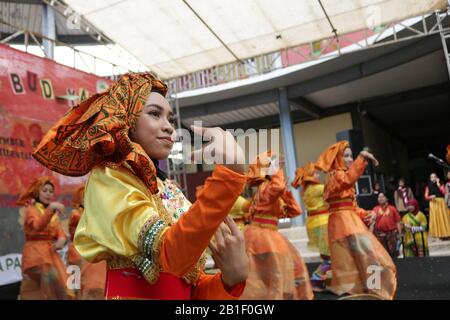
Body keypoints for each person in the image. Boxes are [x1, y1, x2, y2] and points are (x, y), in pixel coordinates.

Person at [32, 73, 249, 300]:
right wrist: (229, 177)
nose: (169, 128)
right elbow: (170, 254)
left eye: (170, 119)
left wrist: (231, 280)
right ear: (128, 120)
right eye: (155, 114)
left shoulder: (168, 188)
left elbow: (188, 287)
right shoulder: (110, 177)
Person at [315, 141, 396, 299]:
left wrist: (366, 214)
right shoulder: (335, 176)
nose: (350, 159)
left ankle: (372, 289)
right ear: (337, 159)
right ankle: (371, 290)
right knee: (364, 257)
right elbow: (347, 180)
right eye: (346, 156)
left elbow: (351, 206)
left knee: (366, 257)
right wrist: (361, 157)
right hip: (342, 224)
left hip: (348, 221)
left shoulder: (343, 178)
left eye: (351, 156)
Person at [241, 151, 313, 300]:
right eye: (275, 164)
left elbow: (295, 211)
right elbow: (279, 187)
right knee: (274, 274)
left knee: (267, 275)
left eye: (279, 164)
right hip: (263, 236)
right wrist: (277, 173)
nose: (280, 167)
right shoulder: (268, 187)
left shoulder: (270, 189)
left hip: (266, 234)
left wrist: (285, 194)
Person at [16, 177, 74, 300]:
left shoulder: (53, 215)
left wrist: (61, 240)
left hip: (50, 254)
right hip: (35, 256)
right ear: (38, 192)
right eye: (45, 190)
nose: (48, 194)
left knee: (60, 288)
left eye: (51, 191)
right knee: (52, 284)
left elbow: (60, 233)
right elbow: (38, 226)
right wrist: (51, 209)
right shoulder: (31, 210)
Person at [292, 161, 331, 292]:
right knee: (330, 258)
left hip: (314, 224)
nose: (318, 176)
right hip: (322, 224)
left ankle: (324, 281)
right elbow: (334, 187)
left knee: (327, 256)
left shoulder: (306, 190)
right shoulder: (317, 189)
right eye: (316, 174)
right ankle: (315, 280)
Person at [67, 186, 107, 299]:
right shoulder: (76, 214)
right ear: (79, 199)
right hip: (76, 253)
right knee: (75, 286)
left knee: (92, 284)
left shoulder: (94, 214)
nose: (88, 199)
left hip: (90, 253)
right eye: (85, 197)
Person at [372, 193, 402, 258]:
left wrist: (400, 234)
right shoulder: (375, 209)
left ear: (386, 198)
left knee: (394, 254)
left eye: (382, 197)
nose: (380, 198)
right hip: (379, 235)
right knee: (382, 255)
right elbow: (372, 223)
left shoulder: (392, 208)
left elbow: (398, 222)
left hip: (391, 234)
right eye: (379, 197)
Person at [426, 173, 450, 240]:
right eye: (432, 177)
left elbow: (444, 192)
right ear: (430, 179)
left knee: (443, 219)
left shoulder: (440, 184)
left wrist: (438, 184)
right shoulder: (428, 186)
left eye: (434, 177)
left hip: (441, 202)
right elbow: (426, 196)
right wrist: (430, 197)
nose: (433, 178)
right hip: (433, 203)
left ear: (437, 178)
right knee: (436, 219)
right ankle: (438, 235)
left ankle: (446, 234)